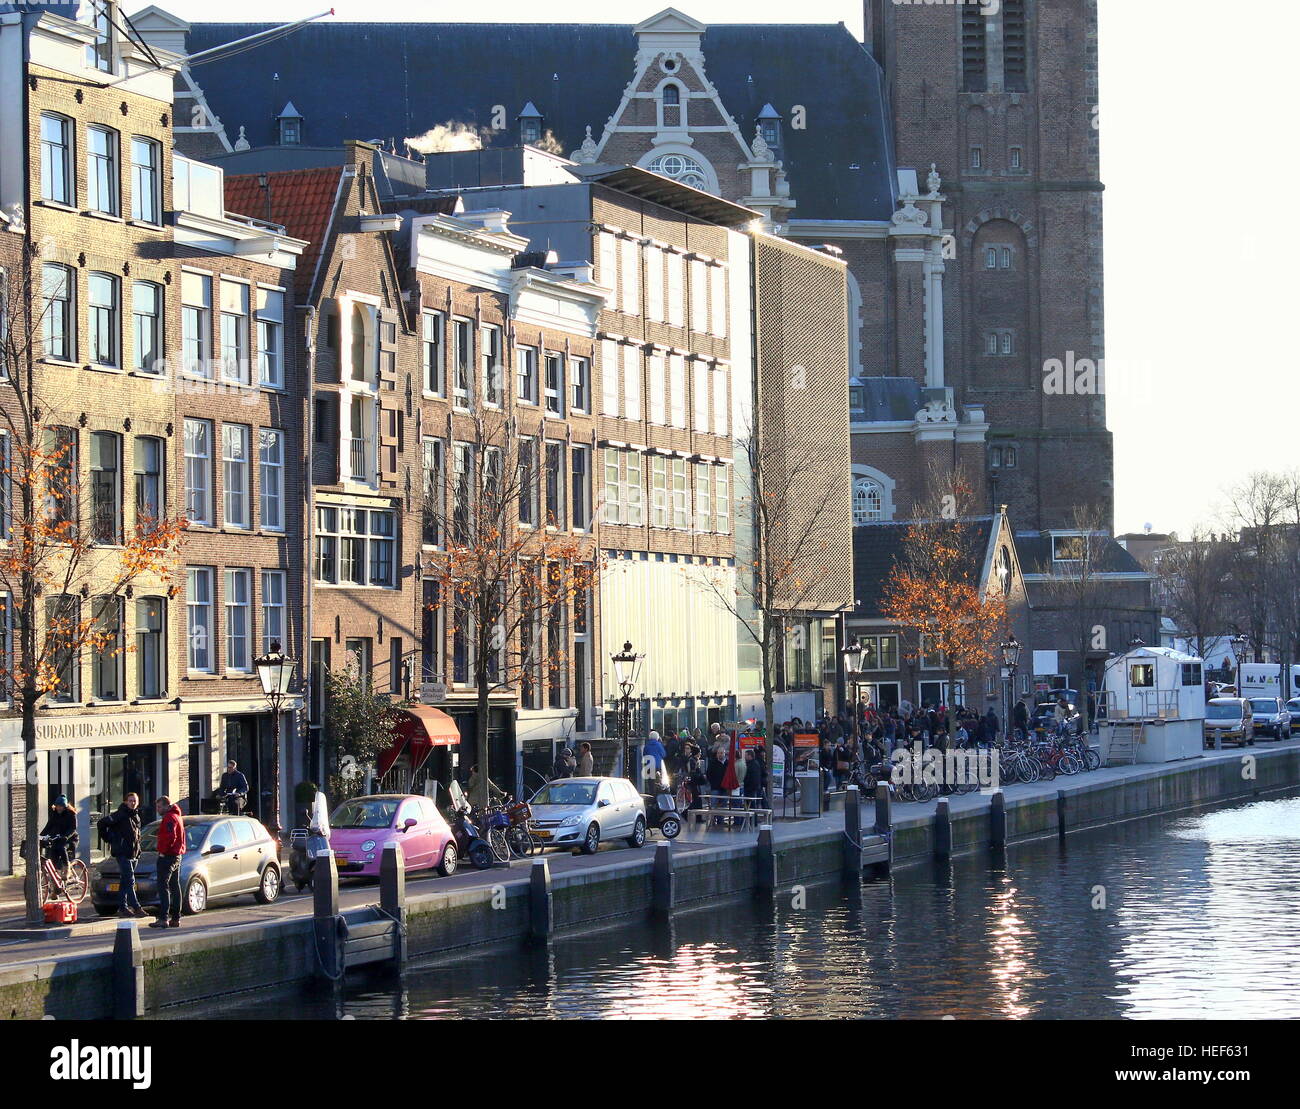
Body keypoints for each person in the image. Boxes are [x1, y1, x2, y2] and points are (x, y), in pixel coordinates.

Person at [104, 793, 148, 918]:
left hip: (133, 853)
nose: (133, 803)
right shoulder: (120, 815)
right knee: (130, 879)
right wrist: (111, 839)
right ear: (125, 802)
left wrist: (138, 850)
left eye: (135, 801)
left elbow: (136, 835)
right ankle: (136, 907)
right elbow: (102, 823)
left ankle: (122, 908)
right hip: (122, 853)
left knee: (124, 881)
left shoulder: (136, 816)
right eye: (130, 801)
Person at [149, 796, 186, 929]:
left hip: (168, 856)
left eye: (159, 807)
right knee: (175, 886)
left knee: (163, 886)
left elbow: (170, 836)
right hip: (177, 855)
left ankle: (163, 918)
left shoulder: (169, 818)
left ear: (166, 806)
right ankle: (176, 918)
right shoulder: (177, 817)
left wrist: (163, 851)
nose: (158, 810)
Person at [39, 795, 78, 872]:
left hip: (70, 839)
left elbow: (73, 828)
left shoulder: (71, 814)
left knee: (61, 848)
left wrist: (66, 836)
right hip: (57, 838)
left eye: (61, 806)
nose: (59, 808)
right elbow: (48, 826)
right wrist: (40, 836)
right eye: (57, 806)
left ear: (65, 806)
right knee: (53, 852)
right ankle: (55, 873)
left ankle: (66, 868)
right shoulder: (54, 814)